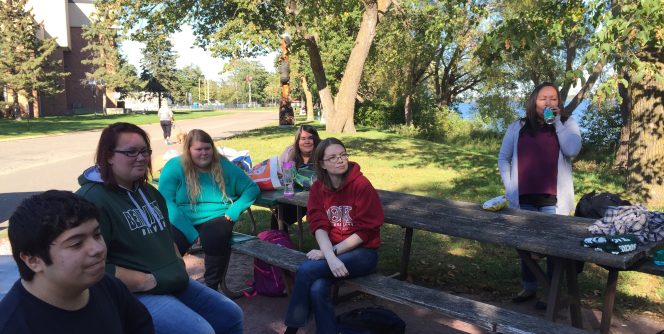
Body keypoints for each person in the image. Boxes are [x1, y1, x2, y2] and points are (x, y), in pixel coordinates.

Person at [75, 122, 243, 334]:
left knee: (230, 314)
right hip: (134, 292)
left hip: (171, 280)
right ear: (108, 156)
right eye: (131, 152)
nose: (141, 157)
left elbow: (165, 235)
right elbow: (88, 266)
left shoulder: (148, 192)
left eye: (145, 151)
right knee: (199, 331)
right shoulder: (91, 201)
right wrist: (147, 281)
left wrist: (176, 264)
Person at [0, 190, 154, 333]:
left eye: (97, 234)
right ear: (33, 261)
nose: (97, 249)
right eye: (76, 244)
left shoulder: (109, 287)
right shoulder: (12, 325)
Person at [283, 138, 384, 334]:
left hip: (363, 253)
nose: (340, 160)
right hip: (333, 254)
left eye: (343, 155)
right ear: (321, 163)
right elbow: (318, 223)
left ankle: (291, 330)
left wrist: (329, 253)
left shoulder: (361, 185)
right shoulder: (318, 188)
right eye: (332, 157)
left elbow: (366, 231)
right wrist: (329, 255)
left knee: (306, 270)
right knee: (317, 288)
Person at [497, 82, 582, 309]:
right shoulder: (518, 126)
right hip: (523, 197)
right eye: (543, 98)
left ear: (559, 103)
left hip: (553, 200)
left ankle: (550, 292)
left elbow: (572, 150)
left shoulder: (568, 124)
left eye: (553, 99)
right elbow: (503, 158)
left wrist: (557, 125)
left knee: (553, 248)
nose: (548, 102)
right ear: (534, 101)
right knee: (526, 244)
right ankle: (529, 286)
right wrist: (509, 186)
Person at [158, 129, 260, 290]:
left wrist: (235, 210)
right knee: (169, 242)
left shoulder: (224, 166)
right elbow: (165, 201)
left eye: (207, 148)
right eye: (198, 149)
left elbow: (251, 188)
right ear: (188, 150)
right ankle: (172, 284)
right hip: (182, 216)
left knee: (216, 237)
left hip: (216, 215)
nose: (204, 153)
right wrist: (190, 232)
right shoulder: (174, 167)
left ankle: (211, 286)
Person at [274, 125, 322, 229]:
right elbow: (281, 171)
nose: (307, 141)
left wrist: (294, 176)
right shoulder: (290, 152)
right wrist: (281, 174)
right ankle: (280, 243)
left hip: (318, 199)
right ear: (297, 141)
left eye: (310, 138)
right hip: (293, 196)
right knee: (277, 217)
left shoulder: (322, 153)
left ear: (316, 139)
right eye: (303, 138)